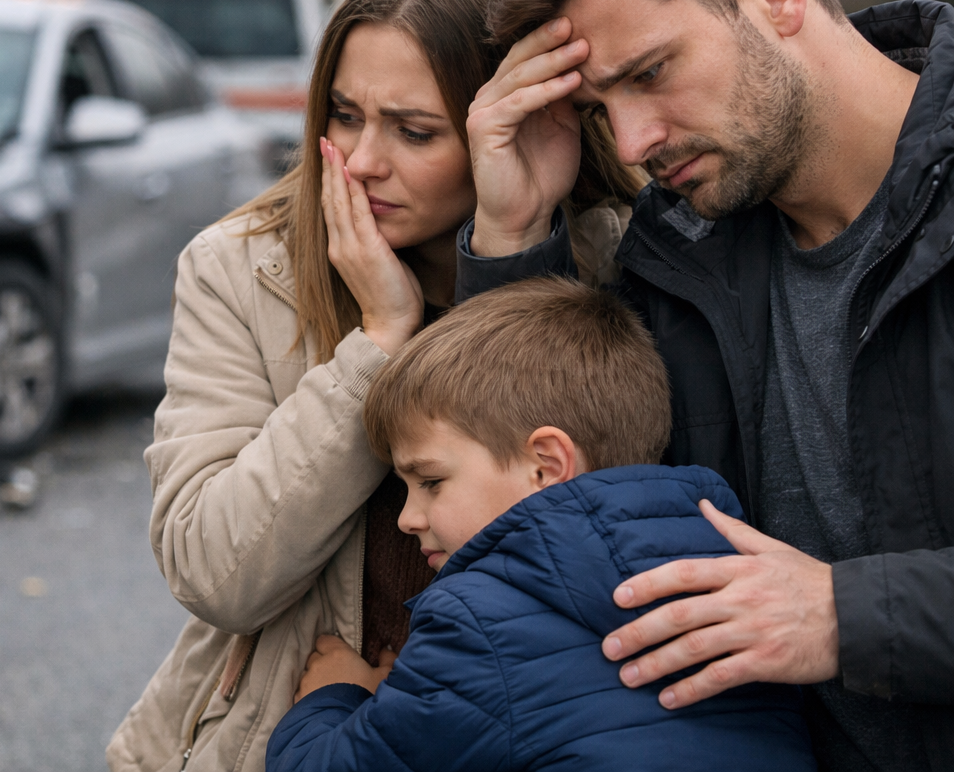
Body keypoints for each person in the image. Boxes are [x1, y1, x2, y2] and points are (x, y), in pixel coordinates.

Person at [458, 0, 954, 769]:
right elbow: (547, 503)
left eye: (650, 73)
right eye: (598, 106)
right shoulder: (675, 258)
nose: (632, 142)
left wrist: (844, 614)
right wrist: (515, 233)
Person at [106, 0, 644, 772]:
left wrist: (509, 248)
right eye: (345, 116)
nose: (361, 164)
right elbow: (215, 572)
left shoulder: (616, 260)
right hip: (279, 735)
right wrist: (378, 342)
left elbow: (584, 544)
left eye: (414, 131)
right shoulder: (242, 270)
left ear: (507, 125)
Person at [264, 277, 817, 772]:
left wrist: (335, 696)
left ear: (546, 467)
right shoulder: (737, 574)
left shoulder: (479, 622)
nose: (407, 519)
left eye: (430, 481)